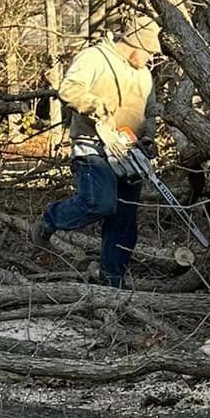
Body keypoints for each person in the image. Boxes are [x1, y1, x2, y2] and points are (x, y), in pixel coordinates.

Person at [33, 18, 162, 286]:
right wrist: (96, 106)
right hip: (93, 146)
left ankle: (112, 281)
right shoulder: (94, 58)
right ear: (136, 43)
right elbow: (68, 89)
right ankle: (51, 218)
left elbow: (150, 113)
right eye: (149, 52)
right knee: (100, 203)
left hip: (129, 154)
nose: (150, 58)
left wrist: (149, 136)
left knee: (124, 224)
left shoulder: (144, 75)